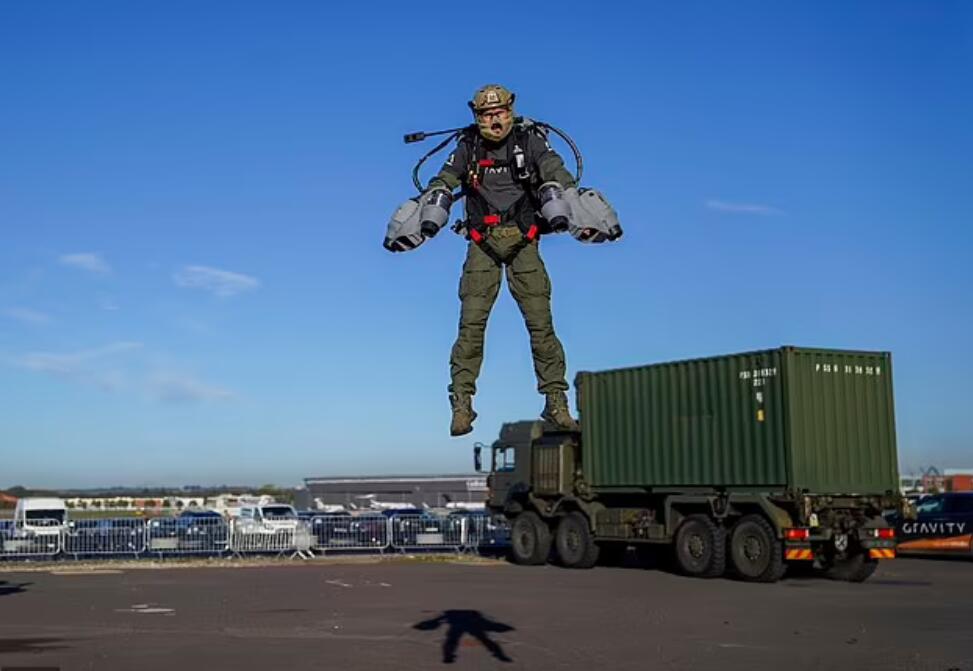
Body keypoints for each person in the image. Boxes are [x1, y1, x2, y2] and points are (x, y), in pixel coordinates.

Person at [424, 84, 580, 437]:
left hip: (524, 242)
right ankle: (461, 403)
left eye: (500, 113)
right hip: (482, 245)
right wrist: (435, 197)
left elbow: (553, 167)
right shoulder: (468, 147)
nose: (495, 120)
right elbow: (444, 177)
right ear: (477, 117)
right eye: (487, 114)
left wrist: (570, 193)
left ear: (510, 111)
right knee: (470, 328)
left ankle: (556, 401)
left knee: (542, 327)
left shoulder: (530, 142)